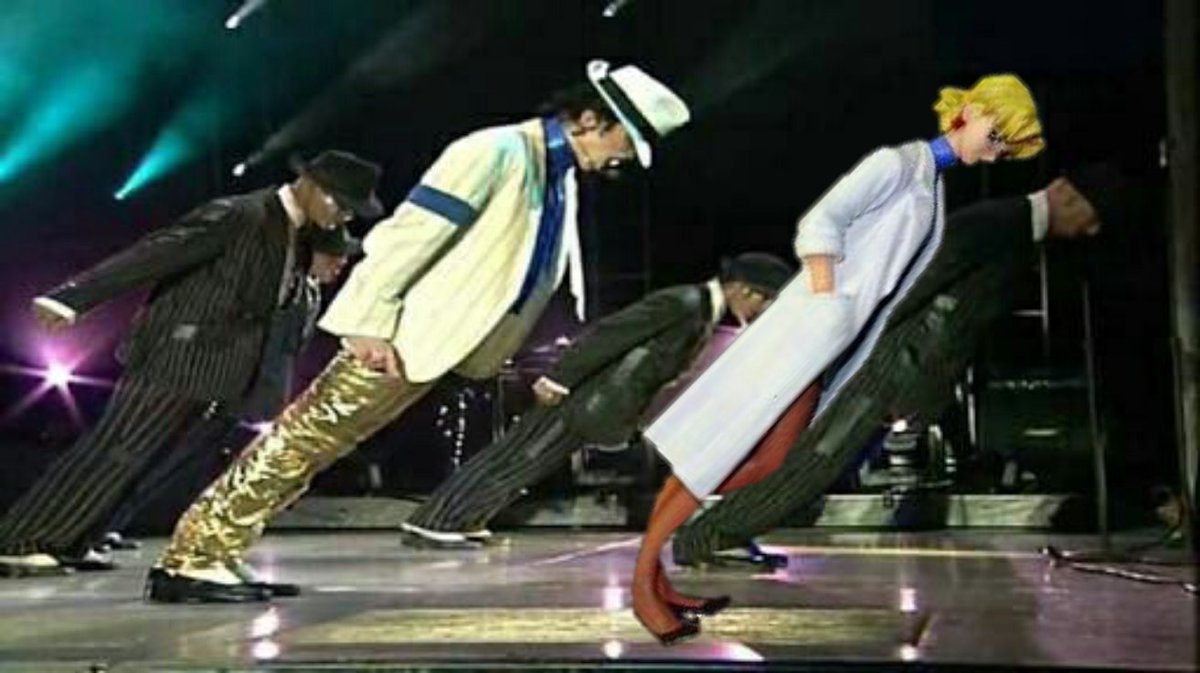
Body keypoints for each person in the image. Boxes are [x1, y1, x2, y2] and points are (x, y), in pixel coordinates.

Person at [145, 60, 691, 604]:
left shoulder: (554, 172)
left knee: (315, 447)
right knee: (305, 438)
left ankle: (215, 549)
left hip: (428, 343)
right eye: (628, 139)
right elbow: (409, 233)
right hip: (396, 337)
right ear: (591, 120)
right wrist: (367, 321)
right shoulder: (495, 151)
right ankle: (192, 558)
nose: (624, 157)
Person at [633, 74, 1045, 644]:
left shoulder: (929, 184)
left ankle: (655, 575)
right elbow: (821, 221)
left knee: (764, 459)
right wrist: (827, 303)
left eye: (1006, 147)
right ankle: (644, 584)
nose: (995, 151)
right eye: (995, 135)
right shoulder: (896, 165)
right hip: (806, 332)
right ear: (969, 112)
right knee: (720, 451)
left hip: (826, 342)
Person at [671, 168, 1122, 569]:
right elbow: (915, 287)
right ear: (1068, 195)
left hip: (894, 369)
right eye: (1093, 215)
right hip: (883, 370)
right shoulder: (998, 224)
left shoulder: (1013, 232)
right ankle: (708, 537)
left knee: (821, 462)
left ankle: (717, 534)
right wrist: (888, 365)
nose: (1092, 229)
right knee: (819, 460)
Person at [0, 150, 382, 578]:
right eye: (340, 203)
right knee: (117, 450)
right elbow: (157, 252)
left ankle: (72, 539)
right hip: (178, 359)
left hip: (221, 372)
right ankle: (22, 540)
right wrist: (73, 297)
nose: (344, 216)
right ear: (310, 185)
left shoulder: (296, 233)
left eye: (351, 210)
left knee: (150, 464)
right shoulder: (242, 214)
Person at [401, 253, 792, 548]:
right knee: (519, 457)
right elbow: (611, 333)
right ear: (744, 290)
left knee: (527, 462)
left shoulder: (701, 310)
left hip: (597, 403)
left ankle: (461, 518)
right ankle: (437, 521)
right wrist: (560, 377)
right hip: (583, 398)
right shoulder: (684, 303)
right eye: (765, 300)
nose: (763, 310)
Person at [99, 226, 359, 553]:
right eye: (333, 255)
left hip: (246, 400)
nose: (341, 263)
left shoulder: (307, 290)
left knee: (175, 469)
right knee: (150, 459)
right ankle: (98, 525)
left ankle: (112, 524)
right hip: (212, 388)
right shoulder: (273, 283)